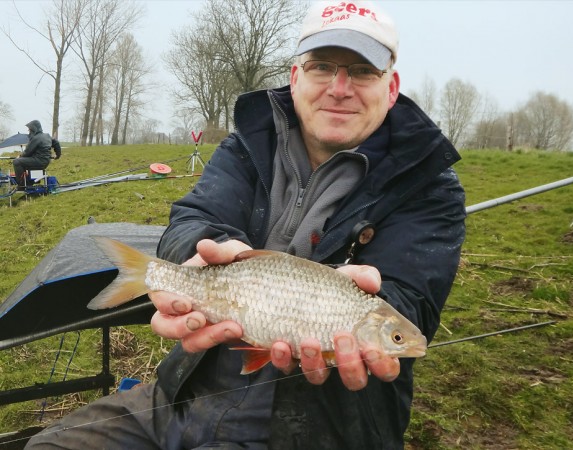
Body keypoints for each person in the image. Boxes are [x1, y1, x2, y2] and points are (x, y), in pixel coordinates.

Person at [26, 1, 466, 448]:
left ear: (390, 88)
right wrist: (200, 252)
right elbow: (192, 219)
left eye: (362, 71)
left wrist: (383, 306)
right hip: (186, 390)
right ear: (296, 79)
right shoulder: (247, 144)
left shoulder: (429, 184)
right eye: (321, 67)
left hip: (318, 427)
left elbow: (411, 304)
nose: (339, 87)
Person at [12, 120, 52, 189]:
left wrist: (19, 156)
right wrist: (58, 154)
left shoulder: (36, 138)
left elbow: (27, 152)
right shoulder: (47, 136)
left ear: (34, 129)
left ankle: (22, 185)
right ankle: (29, 183)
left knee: (17, 162)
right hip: (46, 161)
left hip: (39, 161)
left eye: (29, 130)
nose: (29, 132)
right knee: (23, 162)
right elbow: (56, 143)